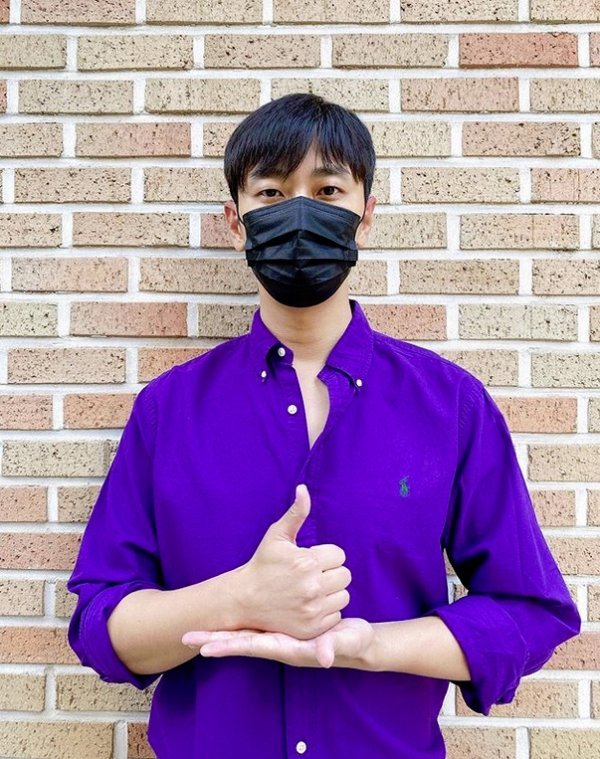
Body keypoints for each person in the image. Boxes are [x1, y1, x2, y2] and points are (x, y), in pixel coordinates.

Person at [66, 93, 581, 759]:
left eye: (328, 190)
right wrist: (238, 598)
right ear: (235, 222)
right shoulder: (168, 410)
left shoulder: (451, 405)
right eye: (272, 192)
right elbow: (100, 624)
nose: (300, 212)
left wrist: (371, 645)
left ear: (365, 216)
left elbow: (530, 611)